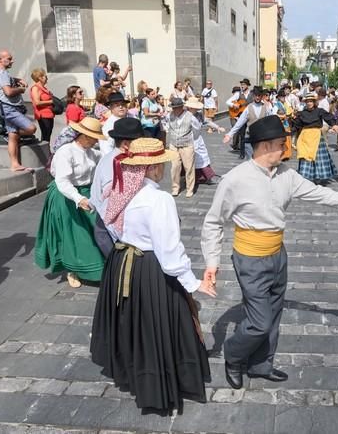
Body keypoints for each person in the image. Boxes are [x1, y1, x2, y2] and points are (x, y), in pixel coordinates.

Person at [200, 115, 338, 389]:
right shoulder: (235, 180)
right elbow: (213, 222)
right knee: (259, 322)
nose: (287, 149)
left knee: (273, 314)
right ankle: (234, 358)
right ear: (264, 146)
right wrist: (212, 262)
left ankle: (261, 365)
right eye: (282, 145)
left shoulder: (287, 174)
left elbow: (322, 195)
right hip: (250, 258)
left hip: (277, 255)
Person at [91, 137, 215, 415]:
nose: (162, 166)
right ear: (152, 168)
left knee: (134, 320)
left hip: (122, 261)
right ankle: (160, 381)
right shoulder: (159, 200)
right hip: (148, 267)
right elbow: (169, 253)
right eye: (160, 162)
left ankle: (135, 372)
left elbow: (113, 228)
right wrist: (193, 283)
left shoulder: (121, 189)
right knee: (156, 322)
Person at [35, 117, 106, 288]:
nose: (97, 140)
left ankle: (96, 266)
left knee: (93, 230)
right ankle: (72, 269)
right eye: (94, 137)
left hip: (86, 193)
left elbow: (105, 163)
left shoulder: (92, 152)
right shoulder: (66, 152)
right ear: (85, 136)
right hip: (65, 196)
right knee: (72, 234)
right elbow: (62, 182)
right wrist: (78, 198)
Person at [90, 118, 145, 257]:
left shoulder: (125, 159)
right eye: (139, 141)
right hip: (110, 230)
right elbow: (110, 207)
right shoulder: (113, 164)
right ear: (126, 144)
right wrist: (122, 238)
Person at [0, 49, 38, 172]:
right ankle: (6, 133)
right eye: (9, 58)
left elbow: (4, 80)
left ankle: (15, 164)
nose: (12, 60)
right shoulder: (1, 73)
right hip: (9, 108)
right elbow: (8, 92)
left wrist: (17, 80)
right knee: (31, 128)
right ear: (1, 60)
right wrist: (20, 89)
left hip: (8, 107)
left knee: (13, 136)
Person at [291, 93, 337, 184]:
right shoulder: (302, 113)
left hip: (316, 136)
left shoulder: (319, 111)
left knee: (318, 158)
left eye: (311, 101)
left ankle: (319, 176)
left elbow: (328, 117)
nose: (309, 103)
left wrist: (333, 125)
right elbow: (297, 126)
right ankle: (304, 176)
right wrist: (289, 133)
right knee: (304, 155)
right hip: (305, 137)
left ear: (314, 102)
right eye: (307, 101)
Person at [162, 98, 197, 197]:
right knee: (175, 167)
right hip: (174, 144)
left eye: (177, 108)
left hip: (187, 145)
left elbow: (197, 129)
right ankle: (175, 188)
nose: (175, 110)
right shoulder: (170, 115)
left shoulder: (190, 116)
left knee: (189, 167)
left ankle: (190, 189)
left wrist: (192, 140)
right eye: (173, 108)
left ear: (182, 107)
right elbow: (166, 124)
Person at [224, 87, 268, 160]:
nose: (257, 97)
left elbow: (271, 121)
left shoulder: (266, 108)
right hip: (250, 137)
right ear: (253, 96)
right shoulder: (248, 108)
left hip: (261, 138)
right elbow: (239, 123)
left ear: (261, 96)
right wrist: (230, 134)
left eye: (259, 95)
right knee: (251, 161)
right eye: (256, 95)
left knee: (260, 160)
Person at [185, 97, 219, 184]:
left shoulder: (199, 115)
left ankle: (205, 176)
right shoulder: (185, 116)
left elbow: (207, 121)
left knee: (203, 158)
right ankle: (193, 178)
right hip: (189, 140)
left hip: (198, 139)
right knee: (191, 160)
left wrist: (217, 127)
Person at [29, 68, 55, 143]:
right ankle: (45, 152)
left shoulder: (44, 88)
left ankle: (47, 151)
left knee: (48, 135)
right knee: (45, 135)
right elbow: (37, 102)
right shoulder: (35, 88)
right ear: (40, 78)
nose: (47, 78)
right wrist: (51, 101)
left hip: (49, 114)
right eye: (45, 76)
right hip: (43, 115)